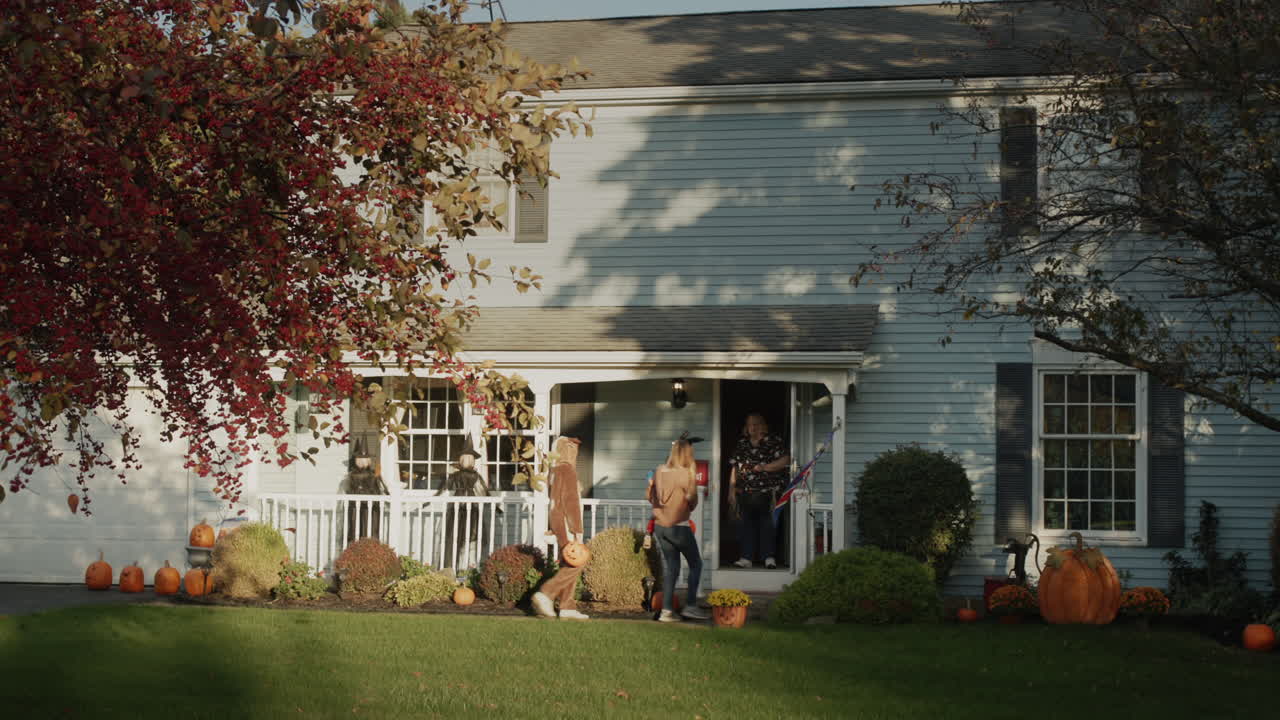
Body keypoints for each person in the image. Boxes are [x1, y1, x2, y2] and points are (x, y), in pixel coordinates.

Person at [647, 434, 709, 622]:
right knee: (696, 564)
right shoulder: (685, 473)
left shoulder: (659, 470)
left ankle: (666, 611)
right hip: (679, 528)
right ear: (687, 454)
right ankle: (690, 605)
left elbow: (650, 497)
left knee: (672, 568)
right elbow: (692, 502)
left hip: (660, 527)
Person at [531, 437, 589, 620]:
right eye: (572, 451)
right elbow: (570, 501)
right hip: (566, 522)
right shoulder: (568, 470)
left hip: (557, 519)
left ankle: (567, 606)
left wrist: (552, 526)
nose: (575, 455)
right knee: (577, 561)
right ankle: (546, 593)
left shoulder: (554, 471)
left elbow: (555, 499)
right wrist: (577, 529)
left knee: (568, 562)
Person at [728, 412, 790, 569]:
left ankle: (768, 557)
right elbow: (735, 467)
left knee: (768, 524)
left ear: (764, 425)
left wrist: (764, 467)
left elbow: (786, 460)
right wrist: (731, 489)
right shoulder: (743, 443)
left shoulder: (773, 441)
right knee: (746, 524)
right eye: (750, 424)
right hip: (745, 491)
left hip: (769, 491)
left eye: (756, 423)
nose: (753, 427)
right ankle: (746, 558)